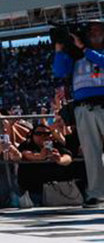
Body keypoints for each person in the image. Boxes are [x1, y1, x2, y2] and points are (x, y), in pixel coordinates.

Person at [52, 21, 104, 206]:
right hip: (84, 108)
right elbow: (59, 71)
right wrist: (59, 47)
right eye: (90, 30)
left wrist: (85, 49)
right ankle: (97, 193)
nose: (94, 32)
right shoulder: (75, 57)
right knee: (91, 152)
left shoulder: (94, 53)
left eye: (99, 28)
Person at [17, 124, 74, 206]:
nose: (43, 136)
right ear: (32, 135)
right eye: (39, 134)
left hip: (56, 190)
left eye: (47, 134)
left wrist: (59, 160)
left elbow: (68, 157)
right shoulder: (26, 145)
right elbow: (26, 154)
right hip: (33, 191)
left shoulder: (56, 145)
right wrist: (40, 156)